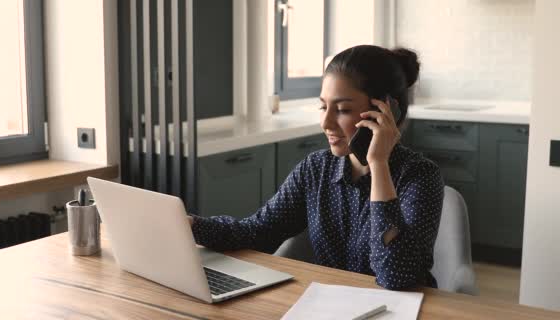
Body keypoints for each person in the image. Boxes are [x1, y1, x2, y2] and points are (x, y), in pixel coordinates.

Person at [188, 45, 444, 290]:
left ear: (387, 111)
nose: (326, 122)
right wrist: (189, 225)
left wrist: (378, 164)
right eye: (323, 106)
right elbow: (257, 233)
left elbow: (395, 276)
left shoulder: (420, 176)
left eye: (342, 109)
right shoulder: (315, 170)